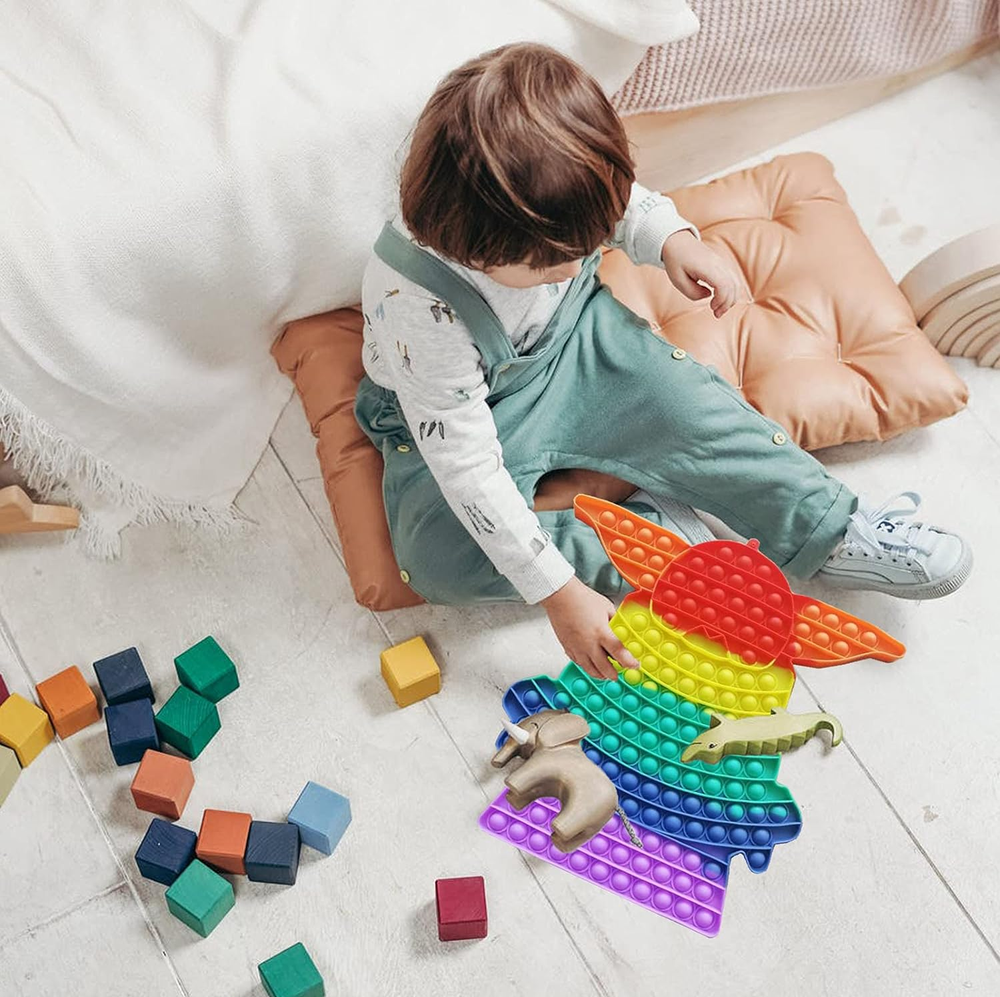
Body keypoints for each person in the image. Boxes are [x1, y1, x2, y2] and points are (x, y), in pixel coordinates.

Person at [355, 43, 971, 680]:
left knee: (694, 407)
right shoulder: (418, 308)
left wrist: (670, 240)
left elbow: (621, 205)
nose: (575, 267)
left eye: (588, 244)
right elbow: (468, 470)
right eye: (549, 263)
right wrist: (558, 594)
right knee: (436, 555)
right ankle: (670, 554)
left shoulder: (556, 195)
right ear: (474, 247)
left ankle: (830, 526)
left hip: (579, 344)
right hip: (462, 417)